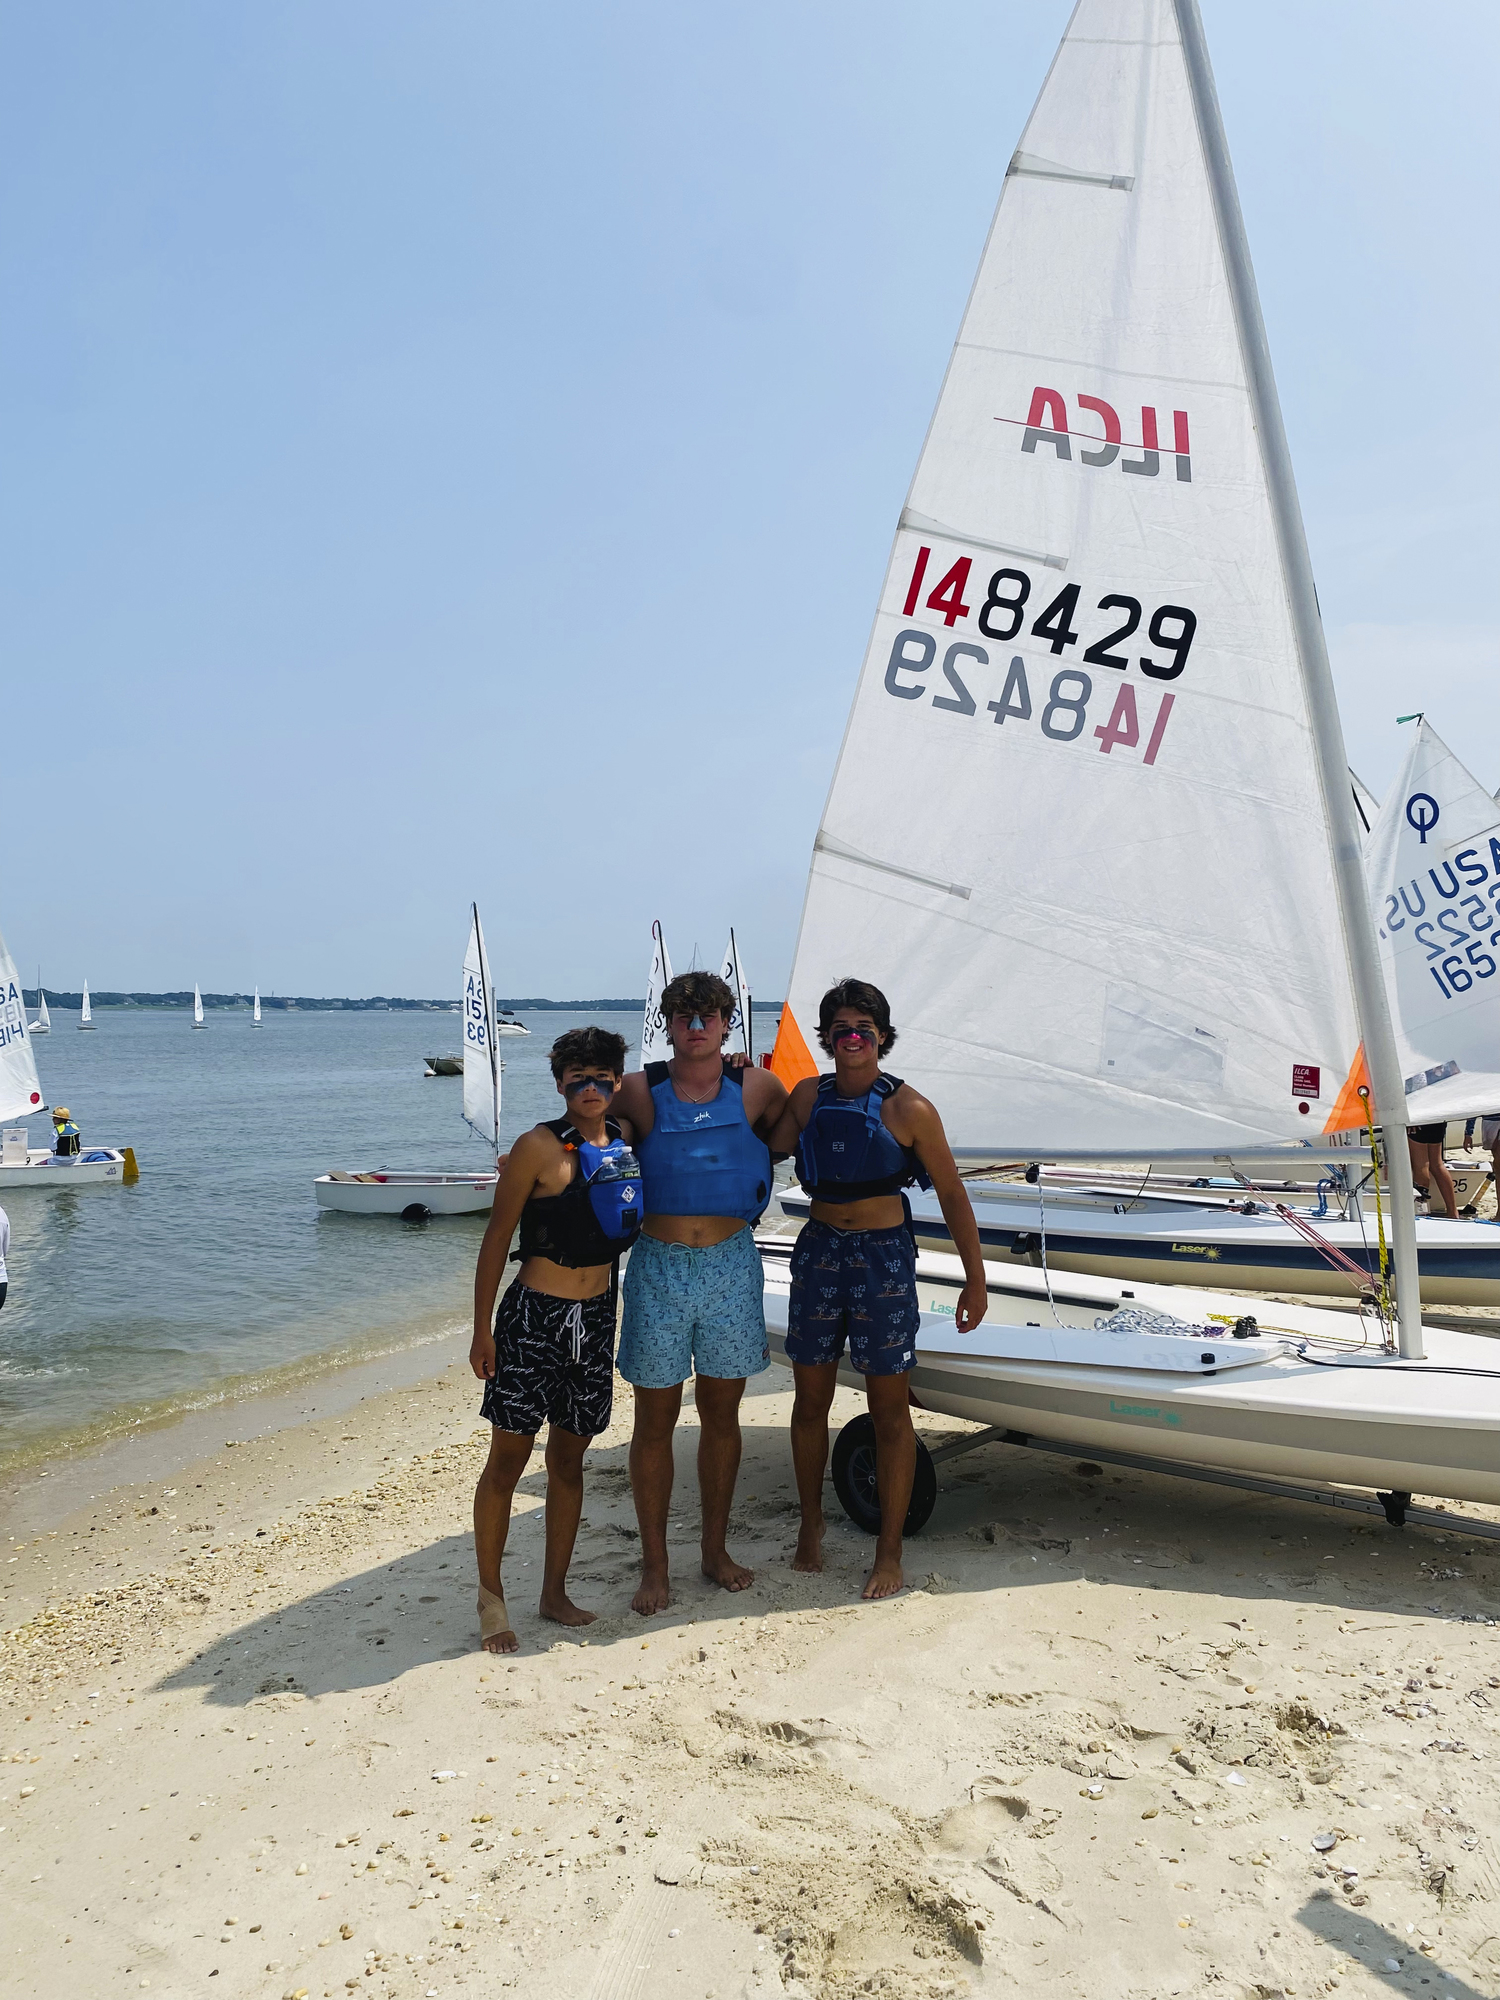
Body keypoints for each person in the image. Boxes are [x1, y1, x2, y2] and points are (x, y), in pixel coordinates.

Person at [767, 978, 989, 1600]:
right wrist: (738, 1080)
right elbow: (764, 1143)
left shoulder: (909, 1109)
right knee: (810, 1399)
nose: (852, 1038)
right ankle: (810, 1524)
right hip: (817, 1252)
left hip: (883, 1259)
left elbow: (951, 1195)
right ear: (826, 1039)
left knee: (889, 1410)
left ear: (882, 1038)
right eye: (839, 1029)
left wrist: (975, 1278)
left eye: (863, 1029)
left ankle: (888, 1552)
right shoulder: (808, 1096)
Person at [610, 970, 788, 1614]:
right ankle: (655, 1566)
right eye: (682, 1017)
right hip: (658, 1267)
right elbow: (582, 1129)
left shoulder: (757, 1086)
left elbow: (795, 1131)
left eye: (707, 1016)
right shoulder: (638, 1089)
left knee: (722, 1415)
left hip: (731, 1265)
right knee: (653, 1421)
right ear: (666, 1024)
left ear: (726, 1022)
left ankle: (714, 1551)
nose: (694, 1027)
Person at [468, 1027, 642, 1653]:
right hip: (532, 1320)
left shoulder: (624, 1144)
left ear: (618, 1083)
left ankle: (554, 1593)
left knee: (570, 1461)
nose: (590, 1088)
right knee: (508, 1462)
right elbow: (495, 1240)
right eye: (577, 1078)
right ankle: (492, 1598)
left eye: (602, 1078)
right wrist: (482, 1328)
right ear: (559, 1083)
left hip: (595, 1320)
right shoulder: (536, 1148)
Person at [1407, 1122, 1457, 1220]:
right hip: (1437, 1119)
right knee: (1437, 1165)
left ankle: (1421, 1210)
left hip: (1419, 1121)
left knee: (1421, 1165)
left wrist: (1412, 1120)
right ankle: (1453, 1211)